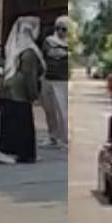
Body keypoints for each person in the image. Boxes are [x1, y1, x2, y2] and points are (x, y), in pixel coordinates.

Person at [0, 16, 44, 165]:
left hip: (8, 88)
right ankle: (21, 153)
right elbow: (29, 77)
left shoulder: (14, 46)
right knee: (22, 126)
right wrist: (34, 95)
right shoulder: (29, 51)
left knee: (9, 123)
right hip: (20, 92)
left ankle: (7, 151)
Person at [40, 16, 70, 148]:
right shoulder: (49, 41)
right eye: (59, 28)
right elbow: (48, 54)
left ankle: (65, 138)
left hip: (62, 80)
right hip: (48, 78)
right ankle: (52, 135)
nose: (61, 31)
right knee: (49, 109)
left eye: (64, 29)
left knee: (63, 111)